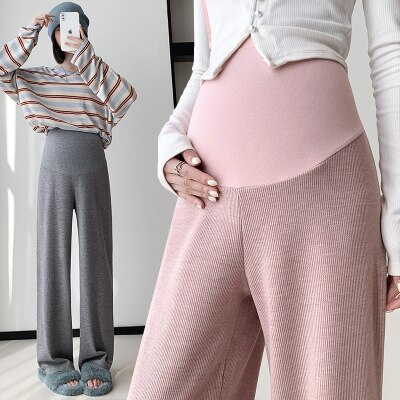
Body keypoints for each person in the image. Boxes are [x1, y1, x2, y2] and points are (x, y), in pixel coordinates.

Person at [127, 0, 400, 399]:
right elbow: (204, 67)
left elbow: (391, 54)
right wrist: (169, 139)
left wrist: (397, 226)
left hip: (324, 201)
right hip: (207, 199)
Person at [0, 2, 136, 396]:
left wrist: (86, 56)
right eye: (60, 26)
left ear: (84, 32)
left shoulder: (99, 76)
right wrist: (29, 33)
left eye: (74, 26)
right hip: (54, 166)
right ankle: (53, 362)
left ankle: (97, 360)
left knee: (97, 263)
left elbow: (126, 98)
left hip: (93, 166)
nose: (68, 31)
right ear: (52, 36)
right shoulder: (40, 77)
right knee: (52, 263)